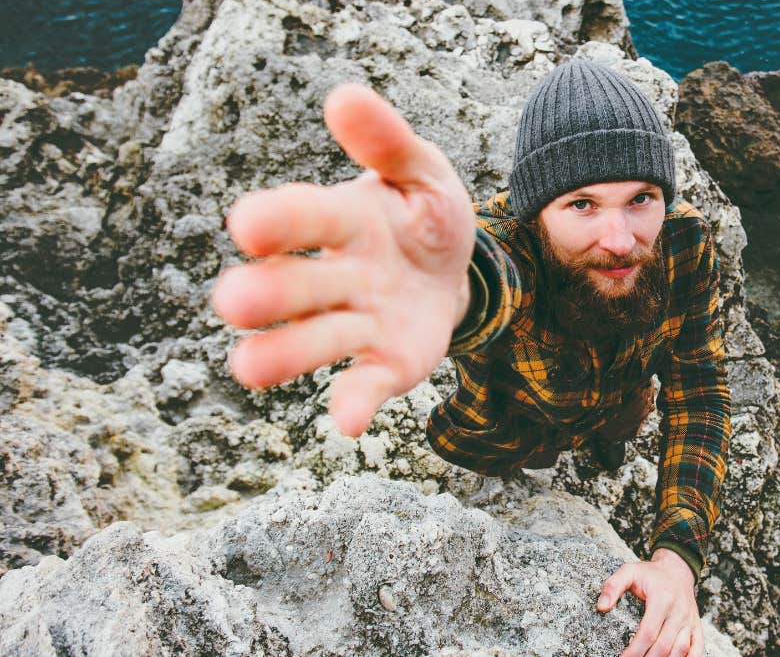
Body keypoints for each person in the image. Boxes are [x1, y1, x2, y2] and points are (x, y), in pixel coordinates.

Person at [210, 57, 730, 657]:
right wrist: (453, 291)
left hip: (619, 404)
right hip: (501, 429)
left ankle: (603, 446)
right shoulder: (509, 245)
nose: (618, 239)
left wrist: (677, 557)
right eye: (581, 204)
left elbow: (700, 392)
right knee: (490, 472)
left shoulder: (684, 242)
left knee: (614, 434)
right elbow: (487, 275)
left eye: (641, 198)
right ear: (535, 212)